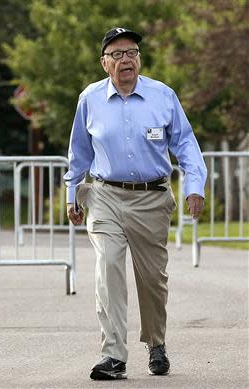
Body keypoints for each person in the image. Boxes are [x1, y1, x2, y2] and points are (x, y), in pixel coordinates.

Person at [64, 27, 207, 380]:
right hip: (105, 195)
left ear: (139, 59)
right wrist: (72, 195)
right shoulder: (90, 99)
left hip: (152, 198)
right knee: (108, 268)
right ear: (104, 63)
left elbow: (186, 144)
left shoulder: (163, 96)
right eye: (117, 54)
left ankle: (156, 343)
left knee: (152, 280)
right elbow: (79, 152)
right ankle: (113, 355)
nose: (126, 59)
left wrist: (195, 185)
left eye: (132, 52)